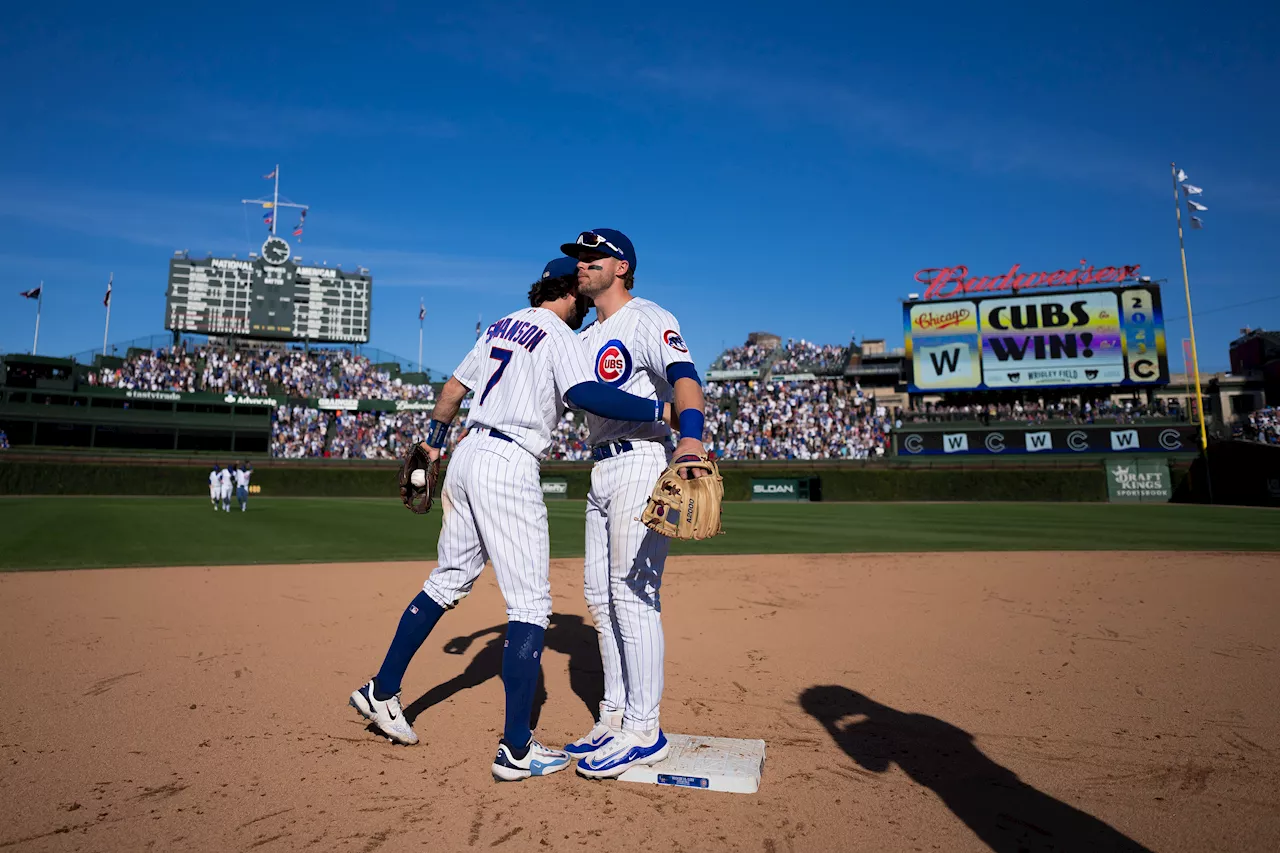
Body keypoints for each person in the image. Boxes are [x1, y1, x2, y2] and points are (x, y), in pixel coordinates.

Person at [350, 258, 676, 782]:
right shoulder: (560, 334)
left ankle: (382, 690)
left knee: (447, 581)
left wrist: (433, 444)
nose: (588, 303)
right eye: (583, 293)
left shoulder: (502, 323)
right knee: (530, 605)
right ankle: (517, 748)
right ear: (570, 291)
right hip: (509, 461)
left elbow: (453, 389)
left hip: (467, 452)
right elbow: (581, 394)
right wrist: (659, 412)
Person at [558, 228, 710, 779]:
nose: (581, 265)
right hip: (602, 466)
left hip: (643, 460)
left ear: (620, 266)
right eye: (577, 258)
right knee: (600, 597)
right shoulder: (580, 339)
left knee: (633, 594)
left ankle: (645, 729)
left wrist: (690, 438)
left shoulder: (648, 317)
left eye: (591, 257)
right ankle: (616, 714)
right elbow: (572, 393)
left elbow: (686, 380)